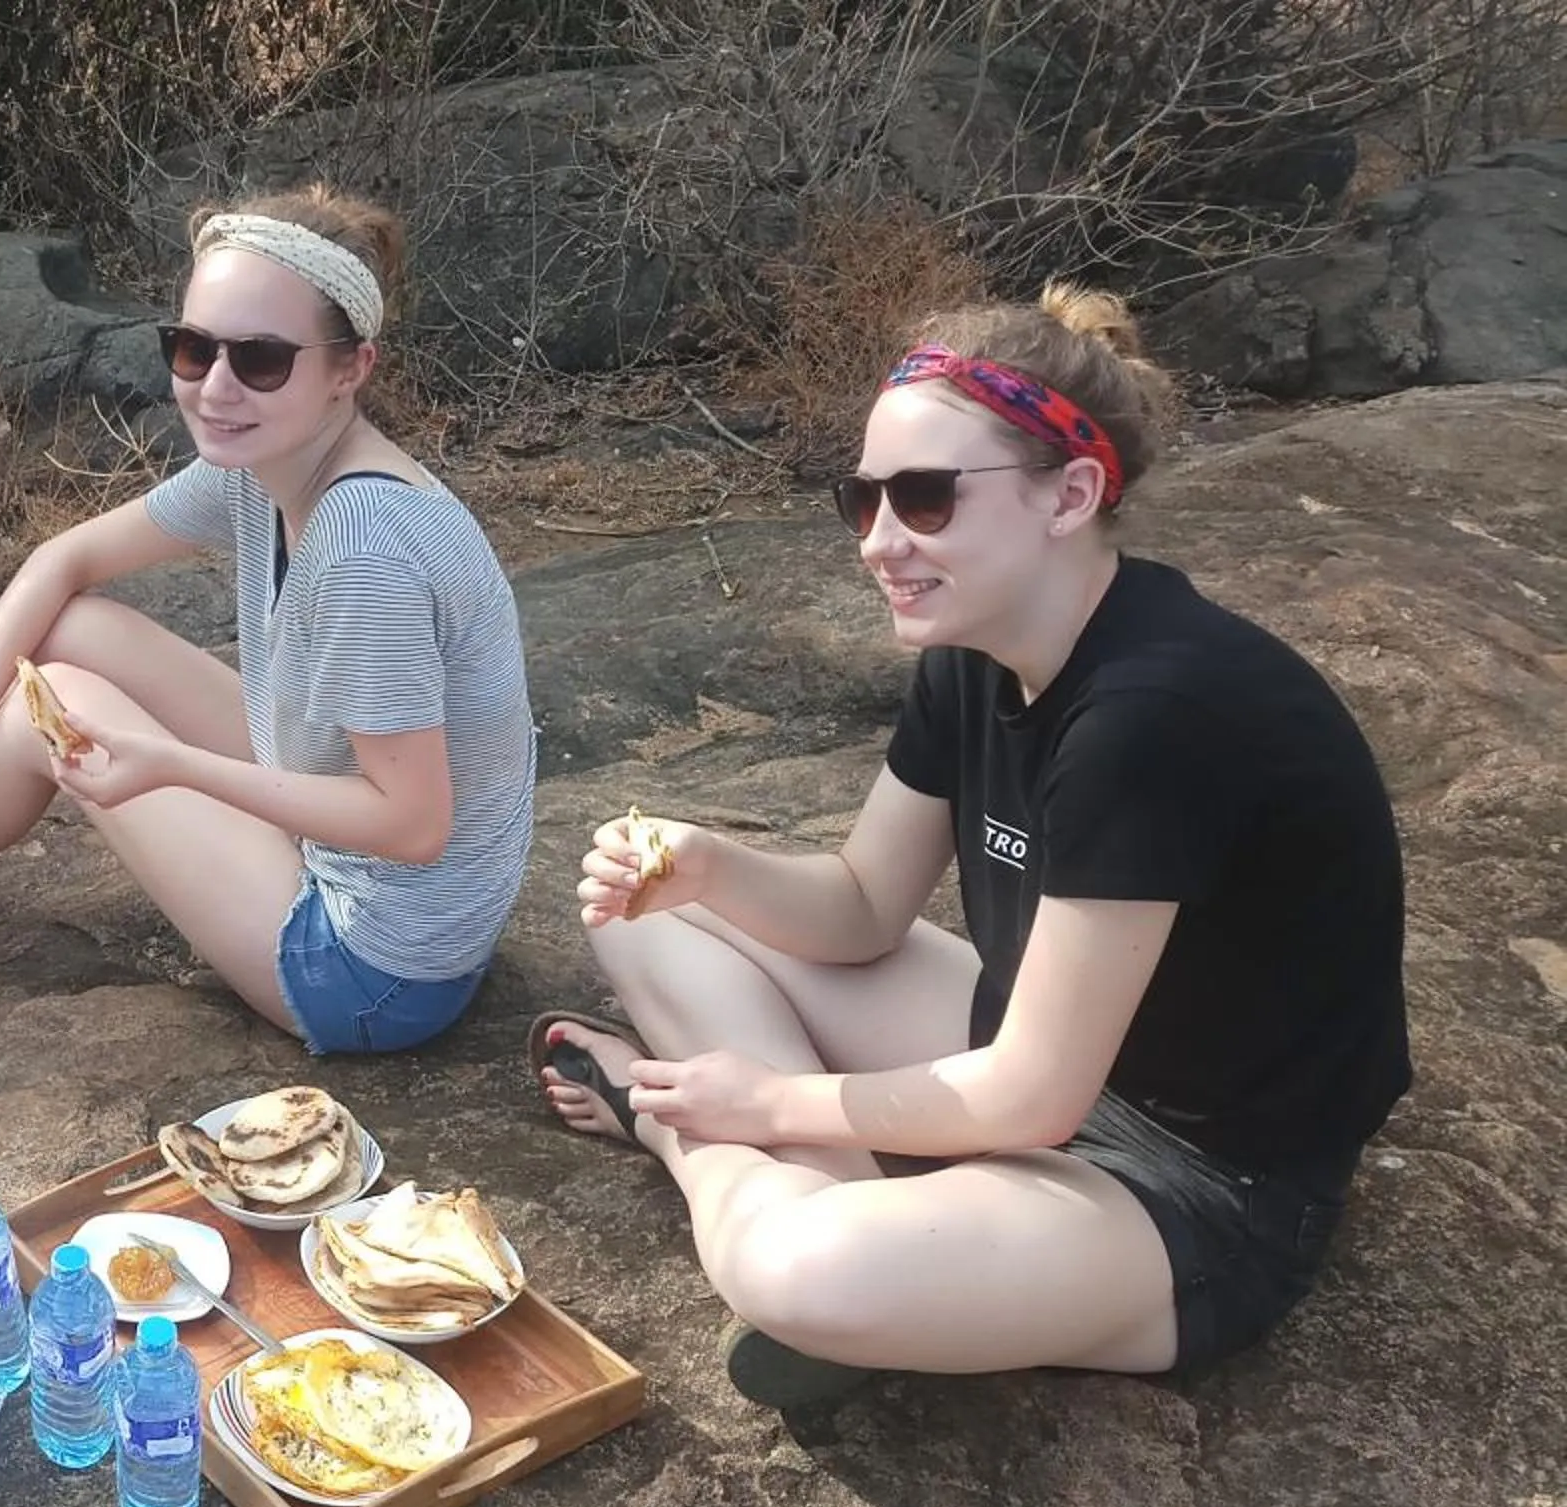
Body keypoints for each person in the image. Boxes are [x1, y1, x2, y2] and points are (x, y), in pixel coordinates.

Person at [532, 285, 1410, 1407]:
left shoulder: (1155, 713)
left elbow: (1034, 1097)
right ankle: (872, 1214)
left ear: (1071, 495)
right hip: (1042, 1051)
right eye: (862, 498)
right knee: (646, 914)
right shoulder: (977, 649)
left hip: (1195, 1179)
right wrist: (708, 867)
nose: (880, 540)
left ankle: (687, 1141)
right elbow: (862, 907)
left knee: (794, 1269)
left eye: (926, 496)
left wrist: (763, 1105)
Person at [0, 186, 536, 1055]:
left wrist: (172, 767)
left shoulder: (363, 547)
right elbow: (61, 562)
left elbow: (413, 825)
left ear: (352, 369)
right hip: (377, 875)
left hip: (377, 968)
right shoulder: (267, 463)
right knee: (69, 628)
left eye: (261, 359)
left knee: (52, 706)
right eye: (193, 349)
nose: (217, 388)